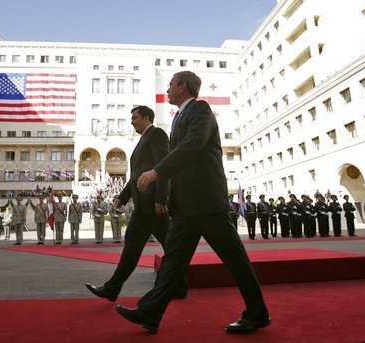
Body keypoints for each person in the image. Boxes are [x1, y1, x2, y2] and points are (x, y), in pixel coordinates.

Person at [115, 71, 269, 335]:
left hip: (207, 203)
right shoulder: (179, 117)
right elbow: (180, 156)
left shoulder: (200, 110)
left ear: (183, 87)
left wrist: (157, 172)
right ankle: (150, 312)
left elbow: (191, 146)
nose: (168, 88)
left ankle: (257, 314)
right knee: (173, 260)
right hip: (186, 207)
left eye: (171, 84)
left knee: (235, 260)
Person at [85, 105, 187, 303]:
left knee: (132, 245)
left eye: (135, 117)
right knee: (172, 246)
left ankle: (112, 288)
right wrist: (122, 197)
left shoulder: (156, 134)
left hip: (150, 204)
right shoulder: (143, 140)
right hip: (146, 204)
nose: (132, 121)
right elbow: (137, 175)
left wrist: (160, 198)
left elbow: (163, 167)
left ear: (147, 118)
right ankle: (180, 286)